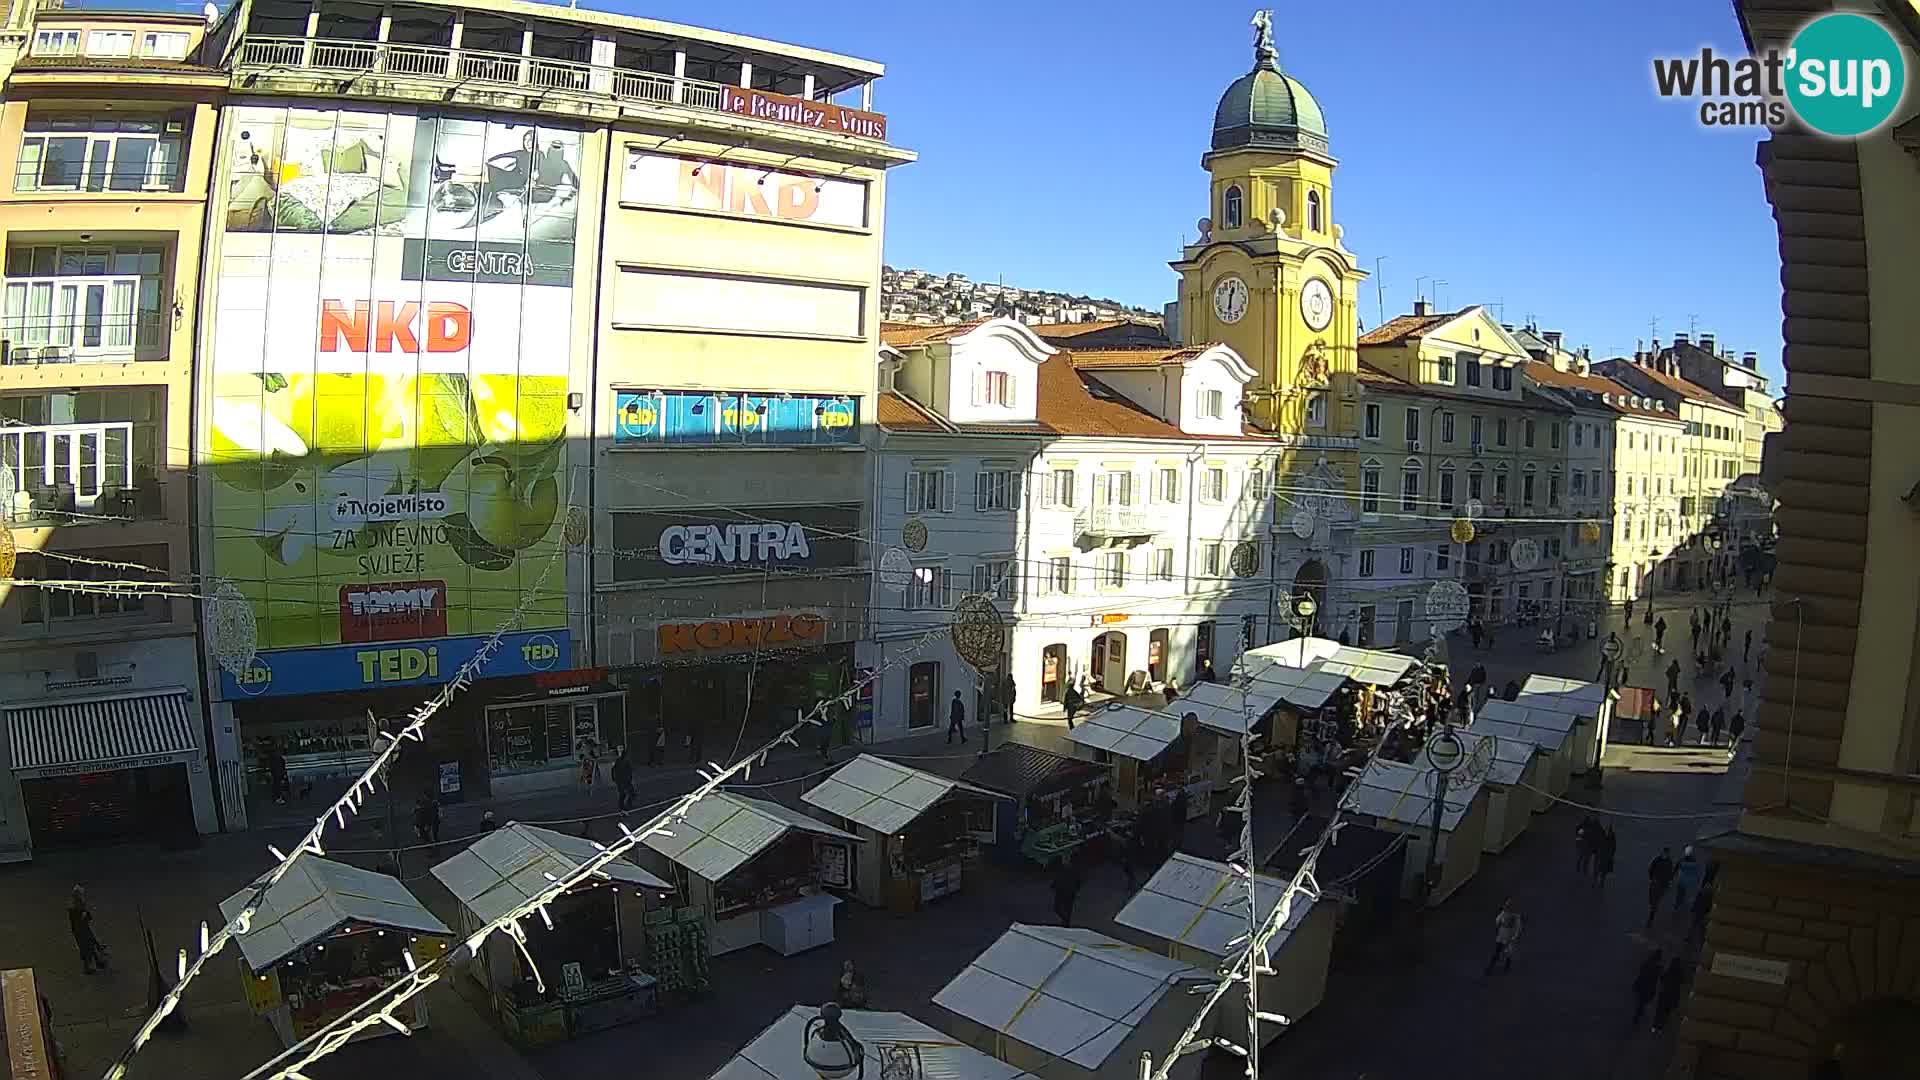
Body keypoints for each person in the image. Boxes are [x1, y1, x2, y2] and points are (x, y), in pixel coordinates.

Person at [68, 885, 108, 974]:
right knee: (86, 949)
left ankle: (98, 962)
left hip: (84, 928)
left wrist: (86, 915)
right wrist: (84, 916)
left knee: (91, 944)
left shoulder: (80, 904)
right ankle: (88, 967)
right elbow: (76, 922)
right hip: (80, 931)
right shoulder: (74, 908)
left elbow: (88, 917)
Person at [1651, 955, 1689, 1033]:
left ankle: (1655, 1026)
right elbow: (1683, 981)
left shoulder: (1669, 970)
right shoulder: (1680, 973)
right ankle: (1660, 1028)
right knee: (1666, 1013)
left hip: (1664, 994)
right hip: (1672, 996)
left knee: (1659, 1011)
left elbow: (1663, 979)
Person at [1485, 900, 1522, 975]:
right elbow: (1497, 921)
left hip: (1509, 936)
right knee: (1498, 951)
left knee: (1507, 952)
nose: (1507, 907)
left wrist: (1514, 937)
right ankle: (1491, 967)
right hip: (1502, 935)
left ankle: (1507, 965)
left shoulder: (1515, 917)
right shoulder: (1504, 913)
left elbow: (1517, 928)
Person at [1630, 949, 1664, 1027]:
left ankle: (1637, 1016)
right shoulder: (1658, 968)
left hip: (1643, 984)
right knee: (1642, 1003)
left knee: (1640, 1002)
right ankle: (1638, 1016)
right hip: (1649, 987)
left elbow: (1641, 972)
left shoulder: (1647, 962)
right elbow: (1661, 978)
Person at [1646, 847, 1676, 927]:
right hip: (1655, 882)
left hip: (1663, 884)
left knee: (1657, 899)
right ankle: (1653, 907)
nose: (1665, 855)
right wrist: (1651, 878)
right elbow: (1651, 868)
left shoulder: (1669, 862)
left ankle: (1651, 915)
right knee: (1652, 898)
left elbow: (1670, 872)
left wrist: (1669, 881)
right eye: (1664, 853)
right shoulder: (1657, 859)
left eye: (1666, 853)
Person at [1671, 845, 1704, 915]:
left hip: (1681, 880)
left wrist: (1672, 878)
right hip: (1690, 881)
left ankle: (1677, 906)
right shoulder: (1694, 862)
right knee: (1684, 893)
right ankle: (1682, 904)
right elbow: (1697, 872)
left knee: (1679, 894)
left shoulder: (1681, 860)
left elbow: (1675, 869)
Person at [1051, 857, 1082, 927]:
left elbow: (1078, 880)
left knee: (1067, 909)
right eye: (1063, 860)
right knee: (1057, 908)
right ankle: (1065, 920)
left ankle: (1066, 923)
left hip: (1069, 892)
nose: (1064, 861)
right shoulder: (1061, 868)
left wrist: (1076, 889)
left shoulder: (1073, 870)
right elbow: (1057, 877)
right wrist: (1054, 885)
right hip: (1061, 891)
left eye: (1066, 860)